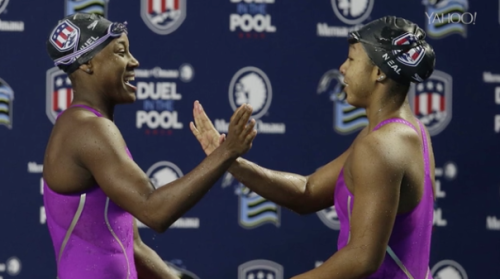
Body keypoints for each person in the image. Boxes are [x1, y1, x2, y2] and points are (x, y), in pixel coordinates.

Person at [190, 16, 436, 279]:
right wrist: (228, 159)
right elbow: (307, 192)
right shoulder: (404, 132)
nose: (342, 68)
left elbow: (363, 258)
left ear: (378, 72)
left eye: (352, 60)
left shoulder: (382, 146)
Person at [43, 13, 257, 279]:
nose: (134, 62)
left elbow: (132, 247)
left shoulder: (82, 124)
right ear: (88, 64)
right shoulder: (89, 129)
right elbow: (154, 211)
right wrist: (226, 152)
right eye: (121, 52)